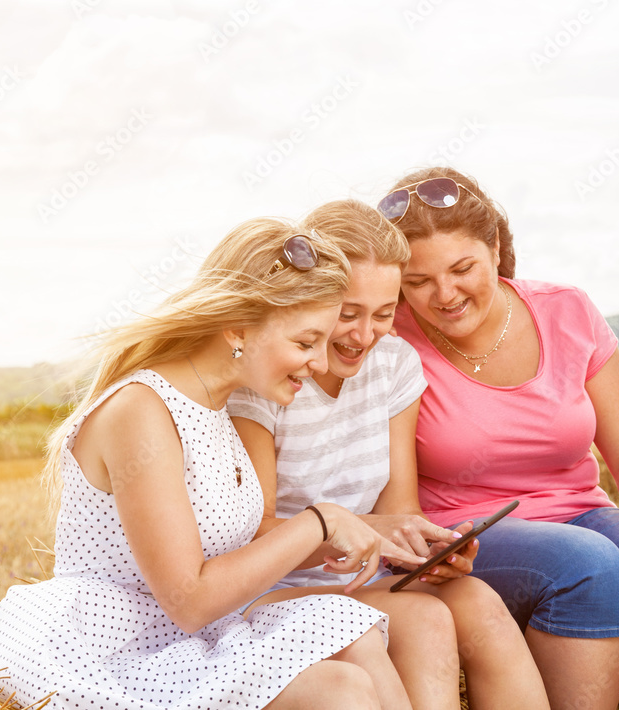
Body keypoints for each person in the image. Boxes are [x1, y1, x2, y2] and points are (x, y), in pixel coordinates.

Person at [0, 217, 434, 710]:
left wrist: (352, 537)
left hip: (183, 639)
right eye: (305, 343)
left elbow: (236, 554)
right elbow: (189, 600)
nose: (321, 363)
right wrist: (321, 522)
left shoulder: (220, 409)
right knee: (342, 691)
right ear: (238, 329)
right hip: (111, 648)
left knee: (353, 629)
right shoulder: (141, 411)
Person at [376, 167, 619, 710]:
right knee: (587, 565)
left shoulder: (567, 309)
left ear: (496, 246)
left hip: (582, 515)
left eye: (462, 269)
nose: (444, 294)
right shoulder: (390, 339)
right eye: (418, 281)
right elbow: (397, 503)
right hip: (464, 535)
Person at [229, 200, 549, 710]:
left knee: (482, 607)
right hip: (275, 589)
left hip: (366, 578)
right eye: (347, 314)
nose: (363, 336)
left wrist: (423, 549)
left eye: (382, 314)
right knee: (425, 622)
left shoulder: (394, 364)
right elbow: (251, 531)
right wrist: (358, 534)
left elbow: (400, 511)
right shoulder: (269, 381)